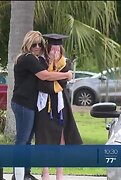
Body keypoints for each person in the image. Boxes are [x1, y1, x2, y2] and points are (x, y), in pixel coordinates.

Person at [11, 31, 72, 180]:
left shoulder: (37, 59)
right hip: (23, 103)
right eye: (34, 44)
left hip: (30, 104)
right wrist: (66, 75)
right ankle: (18, 174)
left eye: (40, 44)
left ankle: (25, 173)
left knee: (27, 140)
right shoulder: (28, 58)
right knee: (23, 139)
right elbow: (45, 76)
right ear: (27, 44)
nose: (37, 47)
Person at [34, 33, 83, 180]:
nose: (55, 53)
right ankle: (46, 172)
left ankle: (59, 173)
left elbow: (60, 84)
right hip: (44, 104)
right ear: (47, 50)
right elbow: (43, 84)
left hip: (61, 104)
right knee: (45, 137)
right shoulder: (40, 62)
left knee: (61, 137)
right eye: (52, 50)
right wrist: (61, 74)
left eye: (58, 50)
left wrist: (54, 72)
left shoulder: (65, 63)